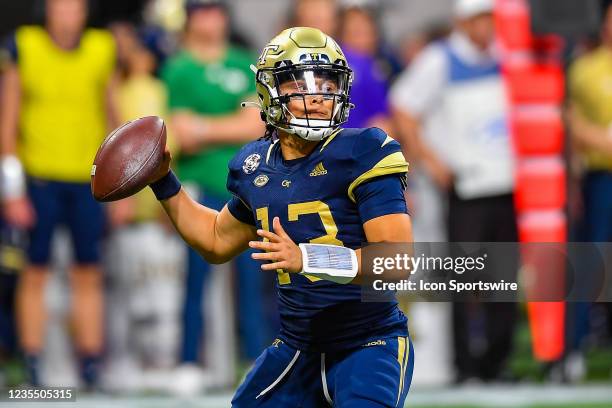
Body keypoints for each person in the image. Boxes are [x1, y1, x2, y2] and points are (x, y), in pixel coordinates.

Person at [133, 27, 414, 407]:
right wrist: (163, 182)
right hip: (298, 346)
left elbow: (397, 260)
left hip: (369, 341)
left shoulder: (364, 151)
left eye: (327, 85)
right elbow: (216, 240)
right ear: (271, 92)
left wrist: (307, 258)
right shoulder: (256, 166)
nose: (317, 98)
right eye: (302, 85)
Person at [391, 0, 517, 382]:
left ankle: (497, 363)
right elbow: (404, 107)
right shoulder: (439, 59)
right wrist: (431, 161)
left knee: (502, 280)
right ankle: (464, 366)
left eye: (490, 19)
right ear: (463, 21)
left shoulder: (504, 54)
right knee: (464, 279)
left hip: (505, 182)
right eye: (479, 19)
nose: (486, 28)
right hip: (465, 187)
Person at [0, 0, 116, 387]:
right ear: (46, 10)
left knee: (89, 269)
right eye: (60, 7)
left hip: (89, 179)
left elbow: (114, 116)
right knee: (35, 270)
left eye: (74, 8)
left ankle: (90, 362)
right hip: (39, 178)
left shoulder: (102, 48)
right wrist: (12, 189)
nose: (67, 15)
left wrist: (124, 186)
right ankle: (32, 360)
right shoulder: (25, 45)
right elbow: (8, 119)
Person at [160, 0, 267, 385]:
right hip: (200, 185)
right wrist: (229, 124)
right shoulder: (179, 67)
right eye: (203, 11)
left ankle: (256, 360)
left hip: (247, 186)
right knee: (195, 277)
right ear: (192, 18)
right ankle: (188, 362)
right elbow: (183, 132)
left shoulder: (244, 63)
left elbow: (256, 125)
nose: (211, 18)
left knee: (252, 279)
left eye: (216, 10)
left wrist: (207, 128)